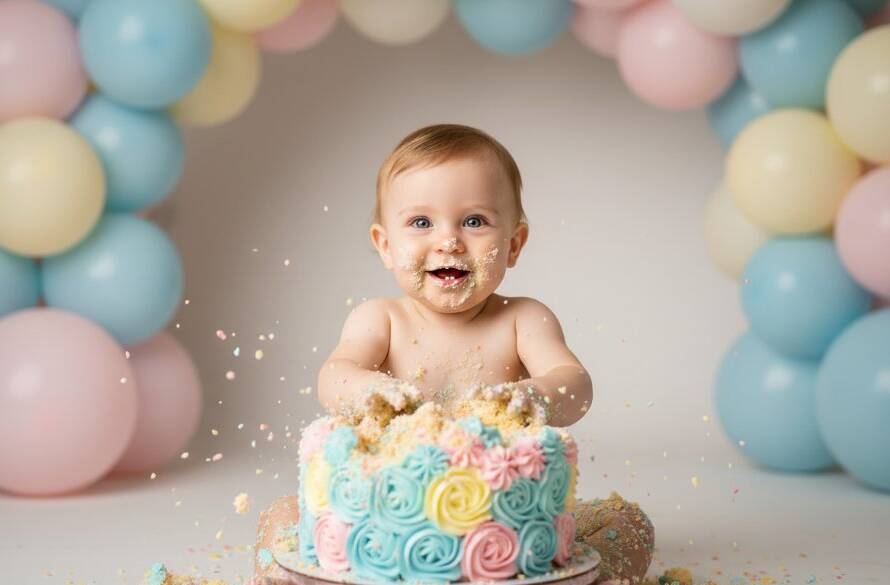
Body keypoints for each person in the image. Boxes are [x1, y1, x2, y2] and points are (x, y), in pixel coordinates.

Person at [255, 124, 655, 584]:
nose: (448, 241)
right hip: (389, 521)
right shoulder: (381, 319)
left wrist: (537, 394)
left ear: (514, 244)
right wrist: (370, 390)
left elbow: (575, 382)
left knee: (626, 520)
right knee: (284, 514)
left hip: (503, 523)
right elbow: (334, 375)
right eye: (421, 223)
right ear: (385, 246)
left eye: (474, 221)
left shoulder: (523, 319)